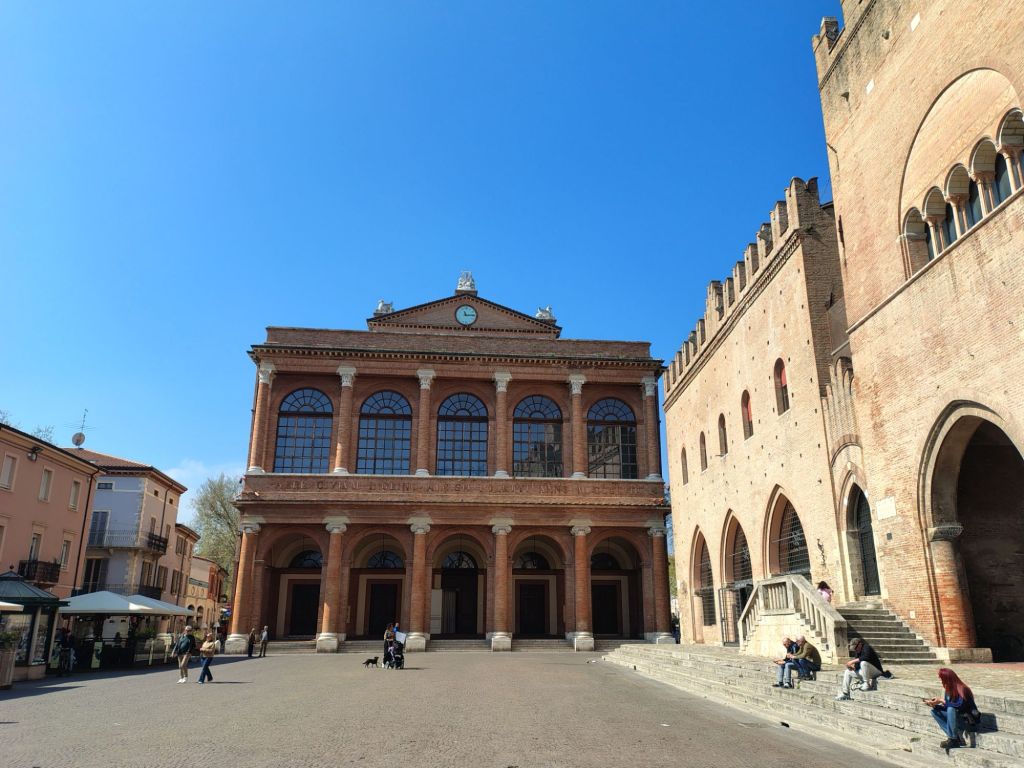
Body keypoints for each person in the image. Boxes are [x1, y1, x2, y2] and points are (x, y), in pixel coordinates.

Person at [925, 668, 978, 750]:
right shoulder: (948, 690)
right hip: (956, 719)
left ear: (947, 678)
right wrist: (934, 705)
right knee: (934, 712)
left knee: (951, 709)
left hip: (967, 721)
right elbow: (947, 708)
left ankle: (953, 739)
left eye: (942, 679)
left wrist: (941, 701)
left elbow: (959, 706)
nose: (941, 681)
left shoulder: (963, 689)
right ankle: (956, 738)